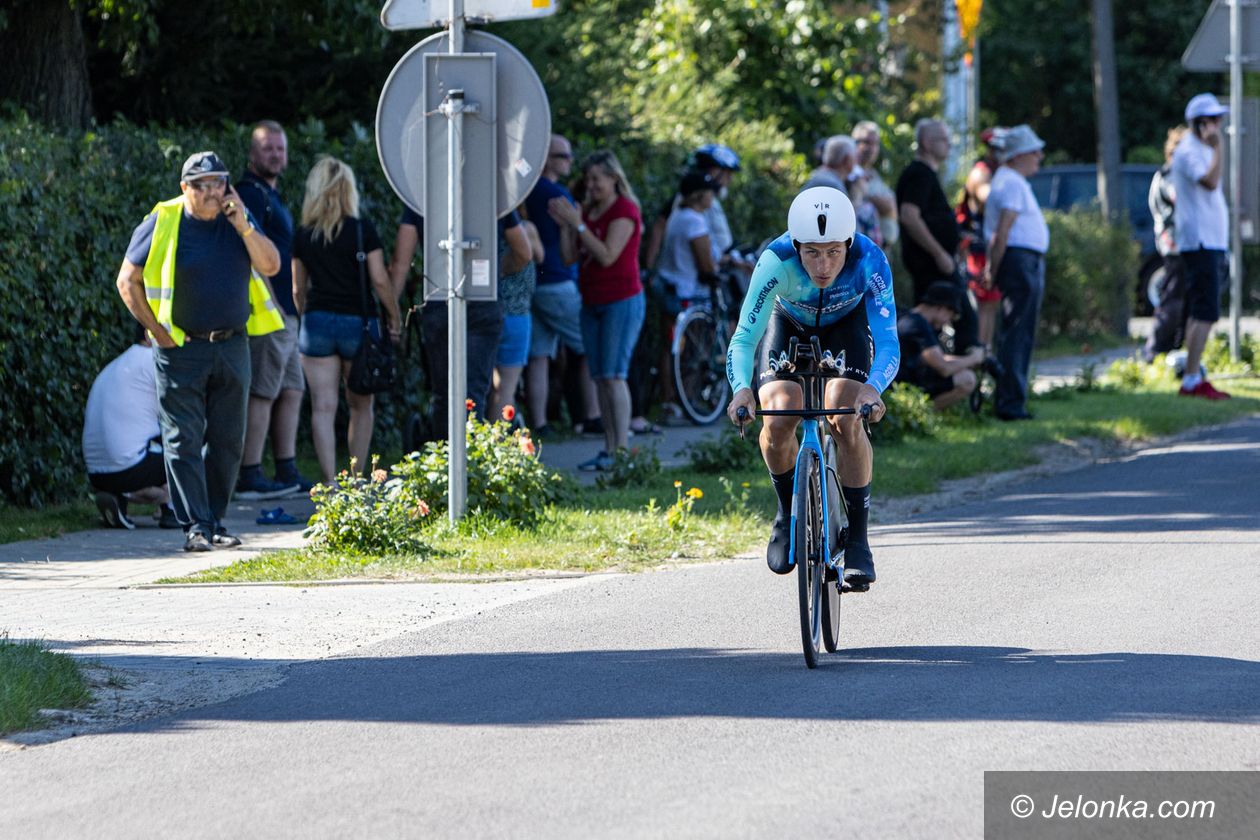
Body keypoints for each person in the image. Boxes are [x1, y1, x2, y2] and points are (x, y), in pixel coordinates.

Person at [726, 186, 899, 590]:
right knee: (780, 414)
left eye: (834, 251)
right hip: (787, 325)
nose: (823, 265)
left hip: (846, 326)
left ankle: (858, 539)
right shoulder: (775, 261)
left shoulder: (870, 260)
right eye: (813, 253)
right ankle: (787, 513)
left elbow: (888, 339)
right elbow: (744, 337)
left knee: (844, 413)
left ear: (849, 244)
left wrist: (873, 389)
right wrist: (740, 389)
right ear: (797, 246)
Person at [115, 151, 283, 552]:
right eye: (202, 185)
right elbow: (127, 280)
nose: (212, 192)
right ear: (184, 188)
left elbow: (272, 265)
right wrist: (156, 331)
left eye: (218, 182)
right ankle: (194, 526)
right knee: (182, 440)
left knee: (228, 441)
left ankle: (216, 521)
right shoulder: (163, 219)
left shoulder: (236, 218)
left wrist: (243, 225)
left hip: (232, 344)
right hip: (181, 349)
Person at [292, 157, 402, 484]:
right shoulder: (362, 230)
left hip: (317, 324)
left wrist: (301, 319)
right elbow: (380, 280)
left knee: (323, 408)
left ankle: (328, 481)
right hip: (359, 325)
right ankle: (355, 478)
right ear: (348, 190)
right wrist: (394, 316)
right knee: (360, 405)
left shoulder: (303, 234)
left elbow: (298, 287)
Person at [549, 150, 646, 471]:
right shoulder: (588, 212)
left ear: (614, 179)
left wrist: (578, 226)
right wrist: (567, 227)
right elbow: (567, 259)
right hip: (591, 302)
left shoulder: (625, 211)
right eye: (587, 179)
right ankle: (608, 448)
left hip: (621, 301)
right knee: (600, 377)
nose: (589, 185)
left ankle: (621, 450)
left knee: (614, 375)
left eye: (596, 179)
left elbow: (606, 255)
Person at [234, 120, 308, 499]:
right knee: (263, 391)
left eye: (280, 148)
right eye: (268, 149)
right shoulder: (250, 193)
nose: (276, 155)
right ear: (252, 153)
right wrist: (275, 305)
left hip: (287, 314)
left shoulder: (272, 195)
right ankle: (249, 473)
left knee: (292, 388)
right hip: (268, 313)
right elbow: (250, 252)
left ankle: (287, 469)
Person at [521, 134, 601, 437]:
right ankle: (593, 415)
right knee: (591, 346)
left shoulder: (526, 191)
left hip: (535, 282)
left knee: (539, 355)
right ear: (545, 159)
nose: (569, 162)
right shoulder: (556, 195)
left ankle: (539, 423)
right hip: (557, 281)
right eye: (562, 156)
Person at [896, 118, 979, 354]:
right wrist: (940, 253)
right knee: (961, 319)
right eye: (943, 139)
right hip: (931, 266)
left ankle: (959, 374)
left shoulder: (928, 174)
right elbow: (909, 216)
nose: (949, 145)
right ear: (925, 142)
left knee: (960, 320)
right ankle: (945, 377)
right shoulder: (918, 173)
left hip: (939, 263)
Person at [983, 125, 1049, 421]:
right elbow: (1002, 231)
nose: (1039, 156)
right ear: (1018, 155)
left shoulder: (1012, 180)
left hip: (1024, 260)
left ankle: (1013, 399)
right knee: (1017, 332)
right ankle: (1010, 403)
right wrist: (992, 268)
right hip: (1020, 261)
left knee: (1019, 331)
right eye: (1034, 151)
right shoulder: (1010, 181)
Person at [82, 327, 177, 530]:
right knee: (194, 442)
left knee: (149, 439)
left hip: (97, 474)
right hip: (129, 469)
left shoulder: (115, 365)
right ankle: (173, 509)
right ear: (149, 334)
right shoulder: (157, 361)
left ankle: (120, 497)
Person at [1171, 93, 1230, 400]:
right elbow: (1209, 182)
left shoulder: (1199, 149)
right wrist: (1219, 148)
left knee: (1202, 311)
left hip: (1209, 241)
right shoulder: (1189, 151)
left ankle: (1193, 374)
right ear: (1201, 123)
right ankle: (1191, 379)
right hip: (1201, 241)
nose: (1219, 126)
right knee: (1205, 312)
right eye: (1214, 120)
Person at [896, 282, 986, 411]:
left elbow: (936, 358)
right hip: (905, 386)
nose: (947, 321)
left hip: (900, 385)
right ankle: (923, 414)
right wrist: (974, 358)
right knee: (968, 379)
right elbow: (944, 367)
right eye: (950, 315)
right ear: (942, 308)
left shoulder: (907, 317)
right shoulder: (918, 325)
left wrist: (965, 361)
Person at [490, 209, 543, 421]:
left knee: (479, 385)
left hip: (484, 312)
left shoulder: (480, 227)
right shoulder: (526, 229)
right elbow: (539, 254)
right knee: (506, 388)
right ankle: (496, 446)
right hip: (517, 314)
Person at [956, 127, 1005, 349]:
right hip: (977, 250)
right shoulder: (982, 173)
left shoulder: (998, 173)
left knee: (991, 305)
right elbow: (991, 200)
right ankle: (979, 356)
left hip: (990, 246)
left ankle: (986, 355)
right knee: (983, 304)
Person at [1143, 126, 1189, 362]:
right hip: (1175, 246)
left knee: (1182, 299)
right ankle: (1154, 350)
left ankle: (1174, 350)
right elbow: (1180, 199)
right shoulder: (1169, 176)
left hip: (1181, 244)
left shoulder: (1169, 174)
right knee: (1172, 298)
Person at [852, 120, 899, 246]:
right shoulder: (850, 174)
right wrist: (883, 204)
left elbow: (891, 208)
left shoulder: (874, 175)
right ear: (854, 143)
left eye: (875, 143)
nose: (871, 148)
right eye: (866, 142)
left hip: (880, 253)